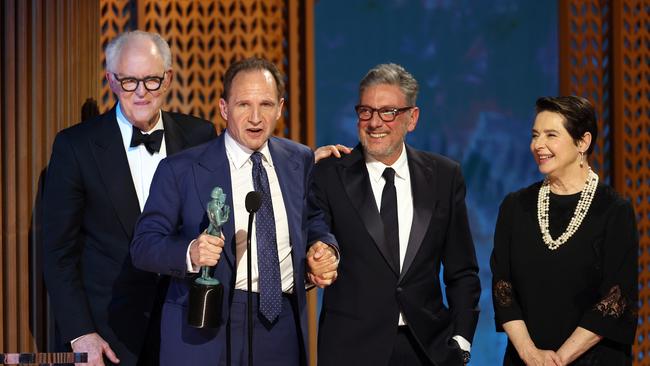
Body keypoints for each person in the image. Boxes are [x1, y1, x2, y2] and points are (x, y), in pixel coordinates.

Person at [130, 57, 339, 366]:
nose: (255, 117)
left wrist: (324, 247)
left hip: (280, 322)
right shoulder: (181, 169)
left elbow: (313, 221)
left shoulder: (300, 159)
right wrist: (190, 252)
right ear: (224, 108)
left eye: (266, 105)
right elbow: (143, 246)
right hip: (207, 323)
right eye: (243, 105)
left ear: (280, 108)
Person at [42, 31, 216, 366]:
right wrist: (81, 333)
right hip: (109, 338)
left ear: (167, 79)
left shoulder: (200, 136)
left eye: (150, 80)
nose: (140, 93)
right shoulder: (75, 147)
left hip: (186, 328)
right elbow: (58, 253)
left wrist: (304, 164)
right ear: (110, 80)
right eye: (128, 81)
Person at [311, 63, 481, 366]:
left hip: (428, 350)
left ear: (412, 118)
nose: (375, 122)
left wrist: (462, 340)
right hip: (350, 350)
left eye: (388, 112)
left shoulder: (444, 176)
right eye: (366, 111)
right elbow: (313, 239)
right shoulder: (329, 175)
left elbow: (462, 271)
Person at [490, 96, 639, 365]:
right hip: (526, 360)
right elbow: (503, 289)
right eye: (535, 135)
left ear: (582, 142)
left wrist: (558, 360)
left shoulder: (614, 211)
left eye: (551, 135)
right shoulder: (515, 207)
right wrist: (529, 353)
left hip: (594, 359)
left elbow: (615, 300)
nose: (538, 145)